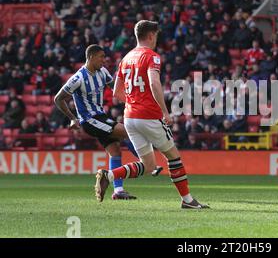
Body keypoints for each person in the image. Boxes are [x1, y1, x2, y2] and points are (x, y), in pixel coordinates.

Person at [95, 20, 209, 209]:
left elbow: (116, 92)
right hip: (148, 115)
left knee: (148, 165)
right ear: (150, 36)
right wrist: (165, 111)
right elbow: (154, 83)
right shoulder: (152, 56)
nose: (156, 39)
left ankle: (109, 175)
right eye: (155, 35)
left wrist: (133, 102)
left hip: (130, 117)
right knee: (173, 156)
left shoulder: (126, 58)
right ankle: (188, 201)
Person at [54, 44, 147, 200]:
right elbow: (58, 99)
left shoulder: (102, 72)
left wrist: (132, 99)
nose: (104, 60)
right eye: (101, 57)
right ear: (91, 57)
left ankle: (118, 191)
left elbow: (116, 89)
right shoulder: (79, 77)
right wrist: (72, 118)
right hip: (89, 120)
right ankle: (146, 161)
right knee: (127, 131)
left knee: (116, 150)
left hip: (101, 117)